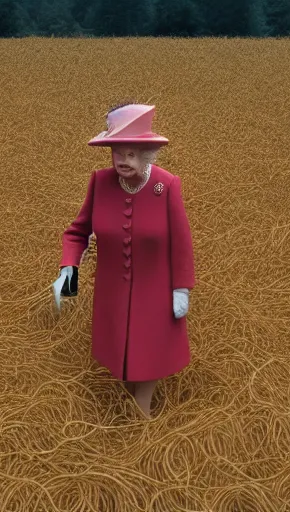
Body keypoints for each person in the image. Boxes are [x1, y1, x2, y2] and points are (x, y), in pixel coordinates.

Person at [54, 103, 196, 419]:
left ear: (146, 155)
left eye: (131, 154)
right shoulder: (100, 183)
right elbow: (77, 232)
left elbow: (182, 242)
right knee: (124, 350)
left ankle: (140, 412)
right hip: (113, 293)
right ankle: (131, 396)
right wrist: (69, 268)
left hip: (156, 291)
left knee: (151, 350)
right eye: (118, 153)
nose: (123, 161)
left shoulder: (167, 186)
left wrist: (181, 289)